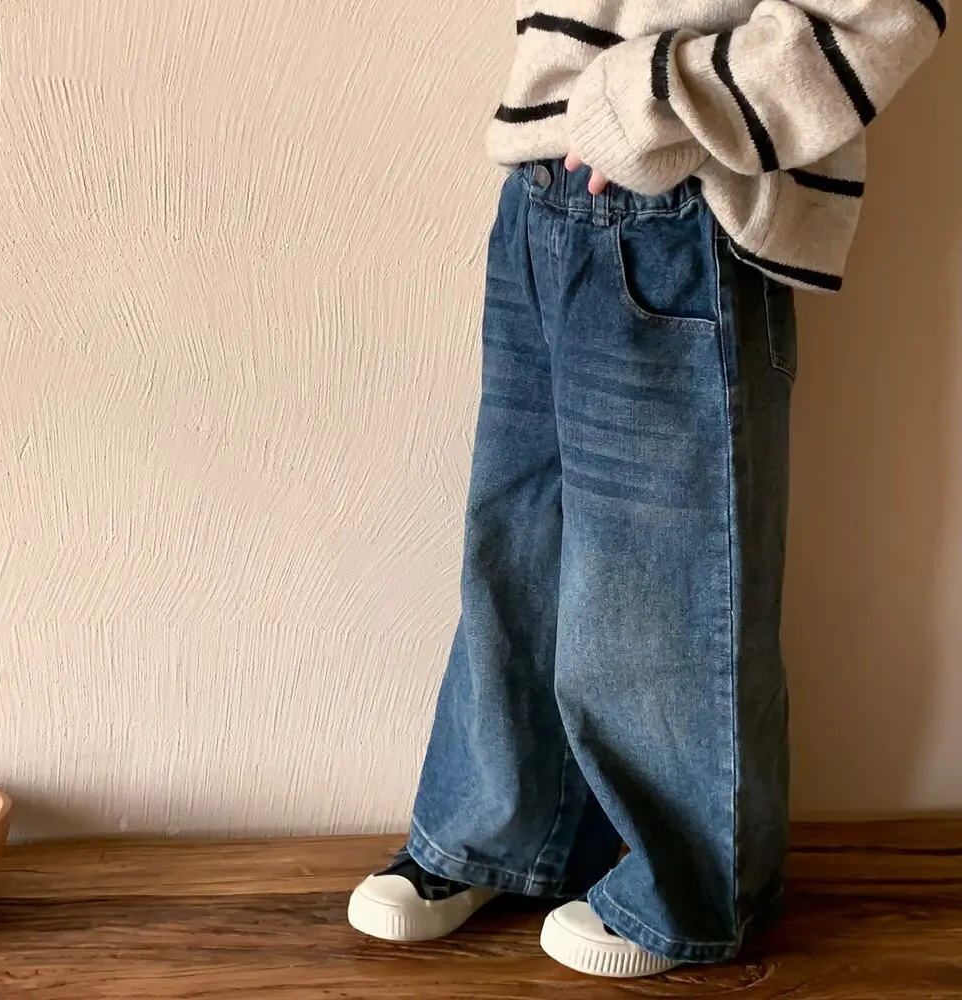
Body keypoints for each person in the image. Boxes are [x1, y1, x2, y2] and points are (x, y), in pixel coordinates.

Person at [348, 0, 948, 979]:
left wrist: (652, 99)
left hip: (684, 206)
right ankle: (505, 832)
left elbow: (884, 14)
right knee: (519, 553)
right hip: (538, 190)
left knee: (665, 591)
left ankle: (692, 888)